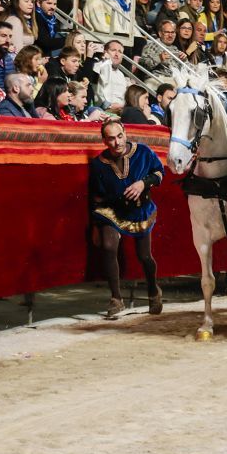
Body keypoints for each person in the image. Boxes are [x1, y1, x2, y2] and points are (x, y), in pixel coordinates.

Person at [89, 118, 163, 317]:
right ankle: (116, 298)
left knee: (144, 256)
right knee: (108, 247)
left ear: (126, 134)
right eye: (111, 138)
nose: (117, 142)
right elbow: (96, 197)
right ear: (104, 141)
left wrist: (143, 183)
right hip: (111, 212)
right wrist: (96, 226)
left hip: (140, 210)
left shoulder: (143, 152)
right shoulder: (98, 164)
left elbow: (159, 173)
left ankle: (153, 290)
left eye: (120, 136)